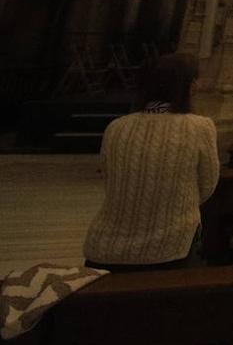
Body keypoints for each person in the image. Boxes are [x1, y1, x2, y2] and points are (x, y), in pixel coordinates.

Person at [83, 57, 219, 271]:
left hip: (105, 246)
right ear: (189, 86)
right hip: (171, 249)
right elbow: (207, 186)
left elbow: (110, 179)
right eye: (196, 80)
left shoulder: (116, 127)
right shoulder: (199, 127)